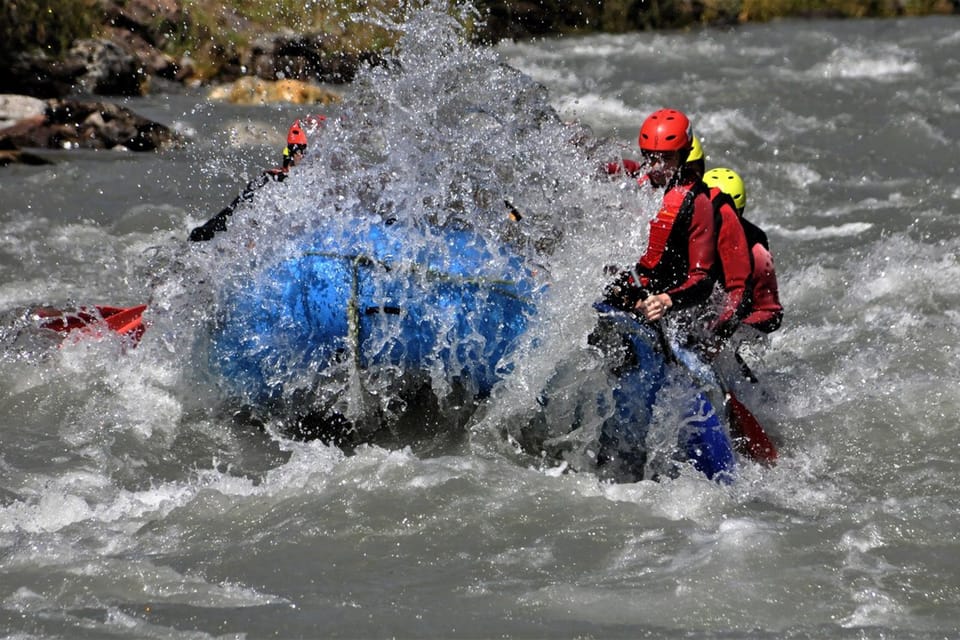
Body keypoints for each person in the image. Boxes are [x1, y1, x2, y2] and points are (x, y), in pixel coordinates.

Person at [605, 108, 717, 330]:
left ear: (683, 154)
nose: (657, 167)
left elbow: (703, 280)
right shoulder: (638, 183)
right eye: (651, 157)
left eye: (666, 158)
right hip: (625, 293)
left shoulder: (697, 202)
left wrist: (665, 301)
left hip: (659, 306)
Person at [188, 117, 318, 242]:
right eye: (308, 155)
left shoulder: (289, 178)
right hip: (215, 233)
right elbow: (247, 221)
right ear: (297, 153)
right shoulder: (273, 180)